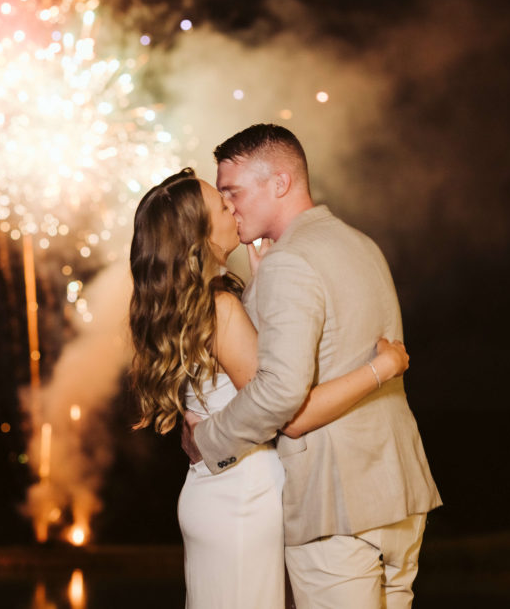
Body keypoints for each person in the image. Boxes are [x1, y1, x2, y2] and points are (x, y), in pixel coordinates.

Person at [184, 124, 442, 609]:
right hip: (399, 492)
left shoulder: (290, 262)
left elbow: (283, 397)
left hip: (336, 502)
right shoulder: (361, 244)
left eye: (232, 191)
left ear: (279, 183)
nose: (229, 206)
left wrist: (208, 441)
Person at [128, 167, 410, 609]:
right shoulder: (220, 307)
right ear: (198, 233)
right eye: (222, 205)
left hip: (213, 492)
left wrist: (259, 286)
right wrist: (383, 368)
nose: (233, 206)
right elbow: (285, 406)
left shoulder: (193, 305)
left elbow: (239, 377)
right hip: (244, 497)